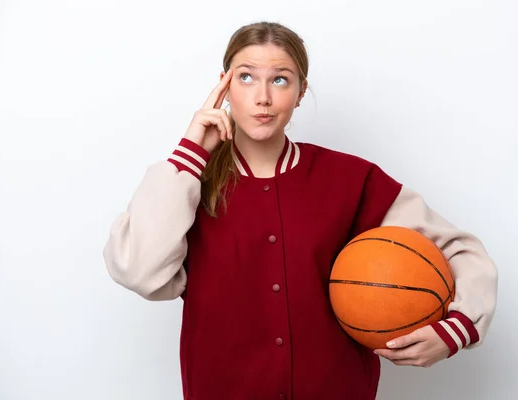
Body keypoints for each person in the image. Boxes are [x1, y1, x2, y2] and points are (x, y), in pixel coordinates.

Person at [103, 21, 498, 400]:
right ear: (223, 86)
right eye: (246, 77)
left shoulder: (351, 178)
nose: (263, 97)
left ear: (301, 91)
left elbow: (459, 250)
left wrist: (456, 329)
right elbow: (139, 271)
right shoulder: (188, 181)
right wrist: (191, 151)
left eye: (280, 79)